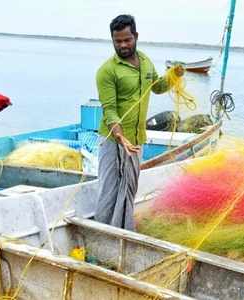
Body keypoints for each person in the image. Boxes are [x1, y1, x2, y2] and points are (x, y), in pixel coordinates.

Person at [94, 14, 183, 230]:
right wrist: (120, 136)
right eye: (118, 41)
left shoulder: (145, 62)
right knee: (110, 190)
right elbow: (109, 110)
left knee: (129, 189)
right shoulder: (107, 71)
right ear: (112, 40)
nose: (123, 45)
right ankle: (103, 233)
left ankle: (123, 232)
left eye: (127, 39)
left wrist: (174, 76)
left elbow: (158, 87)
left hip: (137, 139)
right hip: (113, 140)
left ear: (136, 36)